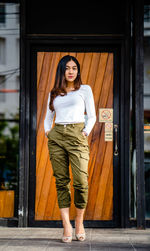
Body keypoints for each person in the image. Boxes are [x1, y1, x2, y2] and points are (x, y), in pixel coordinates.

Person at [44, 55, 96, 243]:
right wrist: (47, 132)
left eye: (74, 68)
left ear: (78, 70)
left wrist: (85, 132)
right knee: (61, 181)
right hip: (57, 136)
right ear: (61, 71)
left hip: (77, 135)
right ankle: (66, 224)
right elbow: (48, 117)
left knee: (81, 181)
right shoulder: (55, 92)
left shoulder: (85, 89)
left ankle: (79, 220)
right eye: (67, 68)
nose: (71, 71)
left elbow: (92, 116)